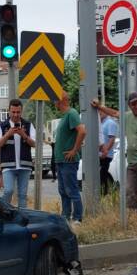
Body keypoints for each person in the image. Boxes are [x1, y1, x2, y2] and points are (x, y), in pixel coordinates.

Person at [93, 92, 137, 215]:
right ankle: (136, 215)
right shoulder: (127, 116)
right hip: (132, 161)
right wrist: (99, 106)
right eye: (134, 104)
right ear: (129, 105)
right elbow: (114, 113)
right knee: (129, 190)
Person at [0, 98, 36, 209]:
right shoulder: (2, 126)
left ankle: (22, 217)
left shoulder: (28, 125)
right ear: (9, 111)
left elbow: (35, 144)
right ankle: (3, 211)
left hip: (25, 165)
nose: (16, 115)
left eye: (18, 112)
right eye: (13, 112)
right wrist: (7, 135)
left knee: (22, 195)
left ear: (21, 111)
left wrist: (24, 135)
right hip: (8, 165)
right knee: (8, 191)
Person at [53, 91, 86, 223]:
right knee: (63, 190)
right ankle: (66, 217)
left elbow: (82, 131)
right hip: (61, 160)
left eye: (55, 99)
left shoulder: (71, 113)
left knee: (71, 190)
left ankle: (78, 218)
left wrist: (74, 150)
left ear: (61, 100)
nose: (54, 102)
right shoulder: (64, 116)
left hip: (68, 161)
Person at [97, 105, 118, 195]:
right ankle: (103, 194)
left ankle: (104, 194)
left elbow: (111, 139)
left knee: (103, 176)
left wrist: (105, 151)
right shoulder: (100, 123)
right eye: (99, 111)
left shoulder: (110, 122)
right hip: (100, 154)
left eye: (101, 111)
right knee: (101, 176)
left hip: (106, 155)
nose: (99, 113)